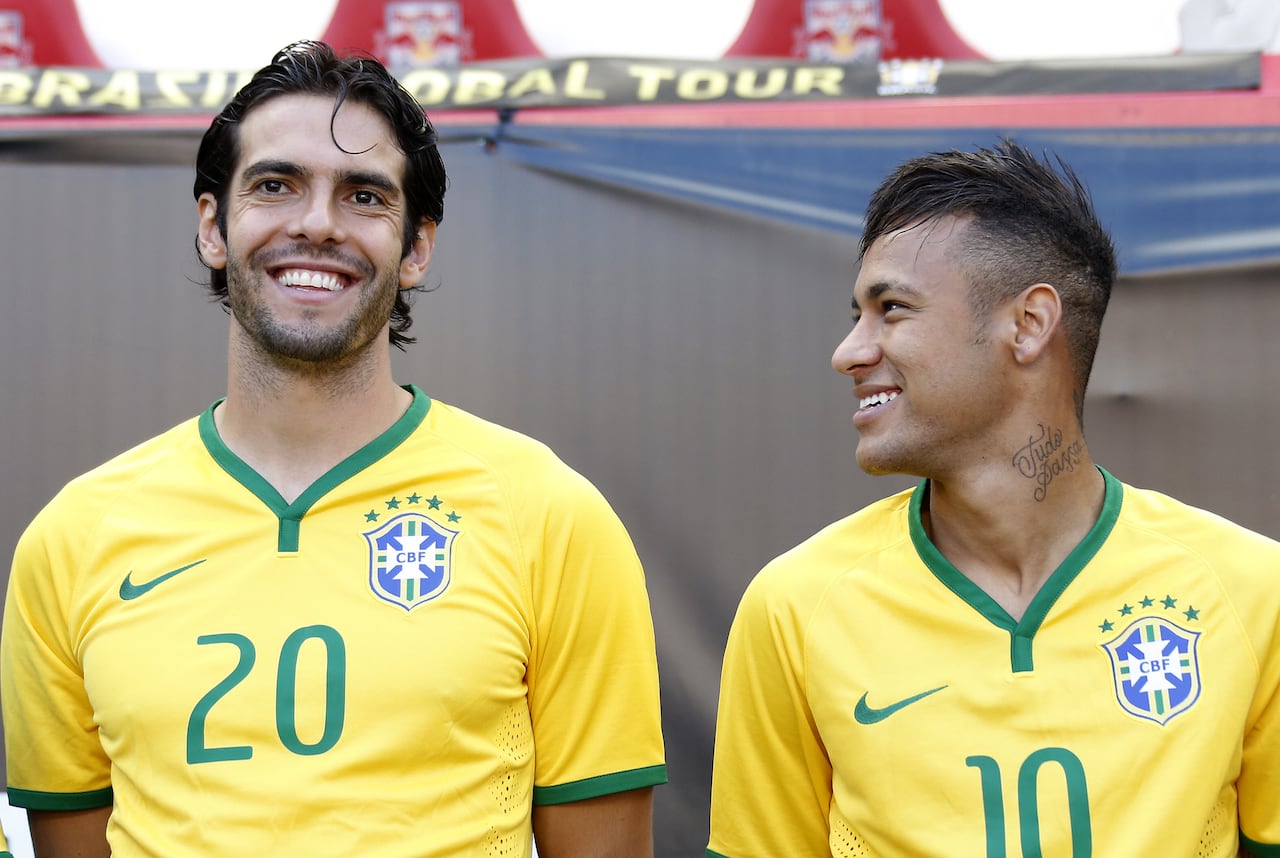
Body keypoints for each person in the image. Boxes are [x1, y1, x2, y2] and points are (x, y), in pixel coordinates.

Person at [2, 40, 666, 857]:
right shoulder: (71, 539)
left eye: (364, 196)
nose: (316, 223)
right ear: (212, 227)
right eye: (275, 185)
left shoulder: (550, 517)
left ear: (416, 248)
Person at [705, 139, 1280, 857]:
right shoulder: (794, 606)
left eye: (891, 309)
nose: (849, 351)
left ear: (1029, 324)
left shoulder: (1251, 592)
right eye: (856, 315)